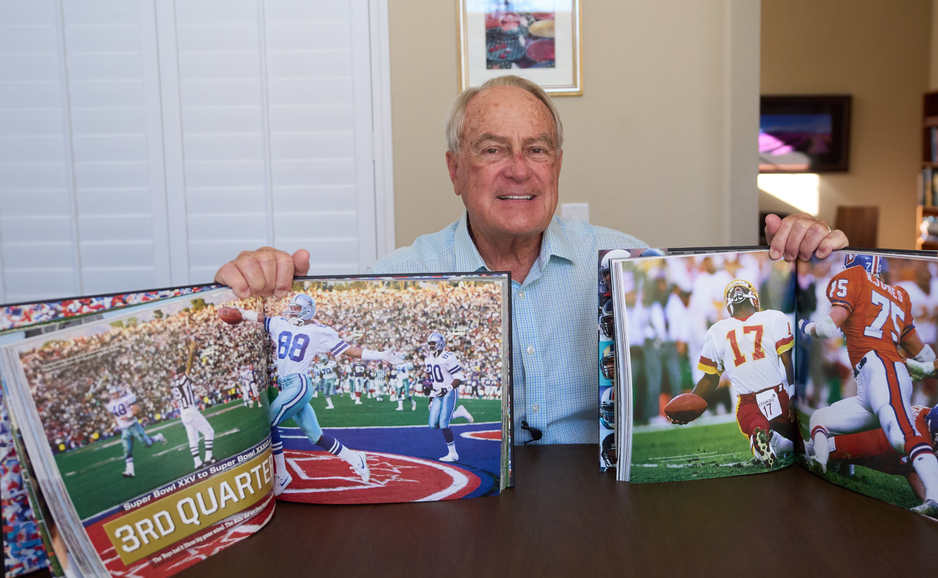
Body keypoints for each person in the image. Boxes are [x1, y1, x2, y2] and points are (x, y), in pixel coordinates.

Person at [214, 75, 846, 445]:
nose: (519, 169)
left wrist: (806, 255)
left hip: (602, 507)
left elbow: (737, 303)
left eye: (536, 149)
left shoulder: (621, 260)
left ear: (558, 167)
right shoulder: (407, 276)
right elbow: (310, 317)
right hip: (467, 514)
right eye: (493, 149)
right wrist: (261, 282)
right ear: (456, 171)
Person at [798, 253, 938, 518]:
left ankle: (937, 496)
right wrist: (925, 368)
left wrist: (803, 326)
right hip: (873, 377)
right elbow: (923, 353)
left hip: (881, 367)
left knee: (900, 435)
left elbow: (825, 328)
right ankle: (819, 463)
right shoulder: (899, 295)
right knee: (820, 419)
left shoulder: (854, 278)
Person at [222, 293, 402, 493]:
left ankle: (282, 475)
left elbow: (349, 350)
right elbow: (261, 318)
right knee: (316, 436)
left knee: (268, 422)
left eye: (296, 308)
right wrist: (241, 313)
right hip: (287, 385)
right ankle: (355, 458)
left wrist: (380, 355)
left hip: (299, 385)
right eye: (291, 307)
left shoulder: (319, 331)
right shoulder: (280, 323)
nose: (291, 310)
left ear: (307, 310)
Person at [674, 279, 796, 468]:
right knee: (805, 444)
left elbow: (709, 380)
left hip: (749, 404)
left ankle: (764, 440)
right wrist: (794, 393)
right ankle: (773, 442)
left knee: (756, 427)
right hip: (779, 397)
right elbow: (787, 360)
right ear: (754, 299)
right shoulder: (773, 318)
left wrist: (690, 405)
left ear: (729, 306)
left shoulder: (717, 331)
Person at [807, 401, 938, 507]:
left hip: (866, 428)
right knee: (808, 451)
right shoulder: (918, 438)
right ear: (935, 432)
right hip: (843, 440)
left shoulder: (929, 418)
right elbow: (927, 494)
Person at [171, 342, 217, 469]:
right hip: (191, 410)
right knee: (209, 432)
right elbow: (188, 367)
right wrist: (191, 351)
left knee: (193, 439)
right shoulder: (183, 380)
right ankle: (208, 457)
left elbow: (181, 369)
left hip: (183, 413)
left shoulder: (175, 383)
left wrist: (180, 357)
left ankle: (197, 463)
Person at [107, 384, 166, 478]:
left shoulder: (126, 398)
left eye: (116, 393)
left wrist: (128, 416)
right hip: (124, 429)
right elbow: (115, 416)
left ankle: (158, 437)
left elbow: (137, 410)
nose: (115, 395)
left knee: (147, 444)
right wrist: (113, 425)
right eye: (113, 394)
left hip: (134, 426)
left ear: (119, 392)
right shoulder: (111, 405)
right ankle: (130, 470)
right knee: (127, 449)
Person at [424, 332, 464, 462]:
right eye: (429, 343)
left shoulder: (448, 357)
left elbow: (460, 378)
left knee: (443, 424)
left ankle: (453, 454)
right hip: (437, 392)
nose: (430, 346)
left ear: (440, 343)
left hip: (449, 391)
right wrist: (431, 396)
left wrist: (447, 388)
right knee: (432, 425)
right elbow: (432, 379)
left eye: (432, 343)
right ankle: (458, 413)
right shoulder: (428, 358)